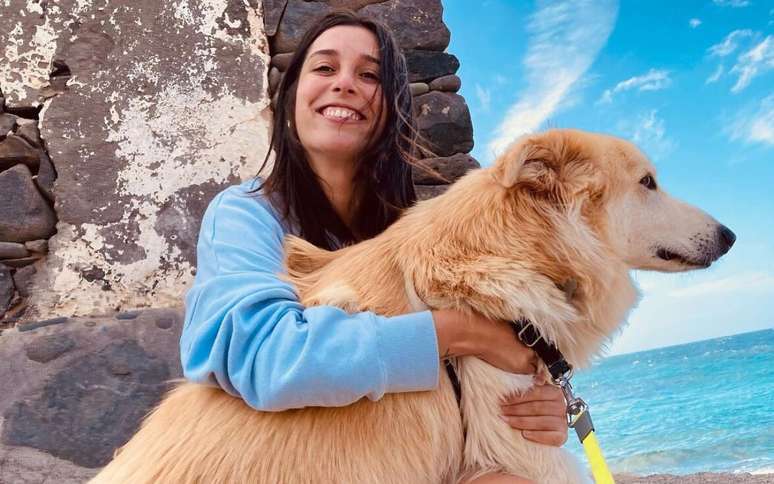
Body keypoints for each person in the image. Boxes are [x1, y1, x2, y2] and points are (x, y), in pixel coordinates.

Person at [180, 10, 567, 484]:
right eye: (325, 67)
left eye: (369, 75)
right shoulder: (246, 214)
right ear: (291, 97)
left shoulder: (420, 238)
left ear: (393, 108)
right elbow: (261, 355)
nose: (344, 83)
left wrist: (534, 412)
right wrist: (459, 332)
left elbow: (465, 390)